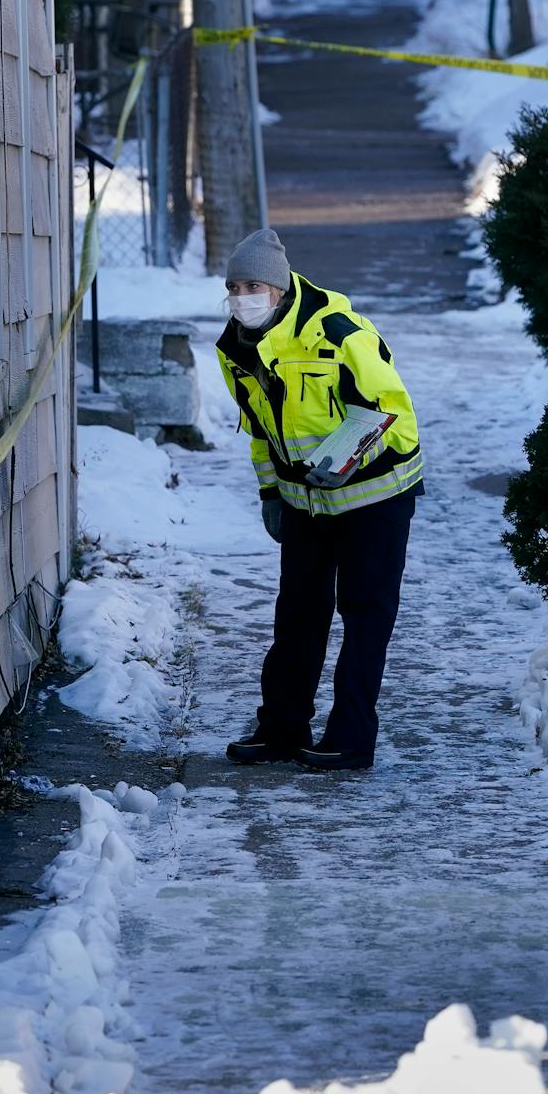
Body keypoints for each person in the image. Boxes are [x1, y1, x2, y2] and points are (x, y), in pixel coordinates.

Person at [215, 229, 423, 771]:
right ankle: (281, 729)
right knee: (298, 615)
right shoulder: (237, 346)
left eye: (254, 284)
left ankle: (350, 738)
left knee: (364, 614)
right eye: (234, 285)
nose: (243, 295)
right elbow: (260, 429)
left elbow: (390, 410)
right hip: (305, 502)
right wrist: (270, 492)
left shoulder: (336, 332)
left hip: (375, 495)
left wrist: (345, 461)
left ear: (280, 290)